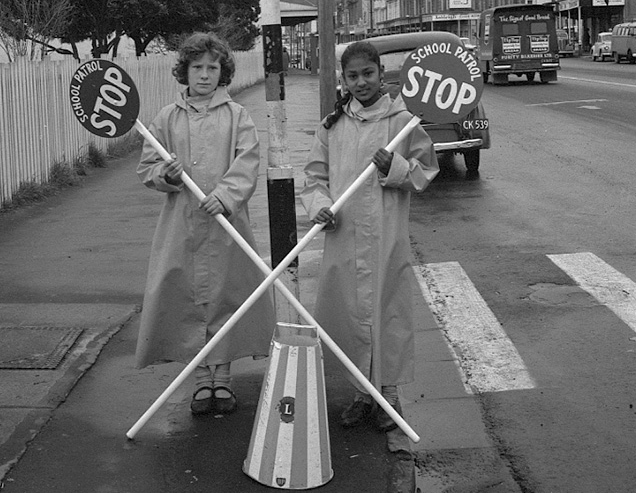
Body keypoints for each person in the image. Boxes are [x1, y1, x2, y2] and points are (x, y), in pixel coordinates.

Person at [301, 40, 439, 432]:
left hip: (385, 234)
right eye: (352, 76)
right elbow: (313, 176)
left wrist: (395, 166)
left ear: (381, 74)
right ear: (343, 80)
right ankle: (363, 394)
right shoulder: (334, 126)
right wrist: (319, 207)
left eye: (368, 74)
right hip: (343, 235)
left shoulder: (402, 122)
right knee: (348, 312)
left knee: (387, 311)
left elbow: (424, 170)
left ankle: (388, 395)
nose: (361, 82)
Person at [135, 32, 275, 416]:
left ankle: (224, 379)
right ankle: (200, 380)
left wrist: (227, 195)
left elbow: (248, 160)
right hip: (182, 225)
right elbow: (148, 168)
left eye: (212, 67)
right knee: (187, 300)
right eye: (197, 67)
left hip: (226, 226)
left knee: (228, 298)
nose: (204, 75)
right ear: (185, 71)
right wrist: (167, 174)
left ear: (222, 72)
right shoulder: (167, 117)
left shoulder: (237, 116)